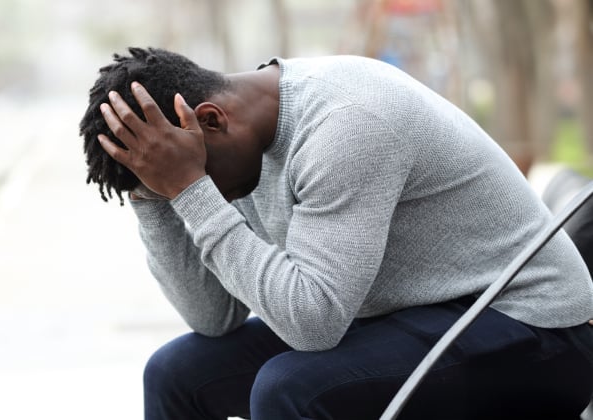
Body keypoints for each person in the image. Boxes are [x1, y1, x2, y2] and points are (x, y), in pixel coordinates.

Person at [78, 47, 593, 419]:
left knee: (291, 389)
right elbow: (214, 318)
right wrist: (155, 198)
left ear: (210, 120)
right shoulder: (232, 145)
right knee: (175, 373)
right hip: (396, 312)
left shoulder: (348, 122)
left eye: (193, 174)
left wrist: (192, 190)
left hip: (533, 328)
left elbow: (313, 324)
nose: (196, 192)